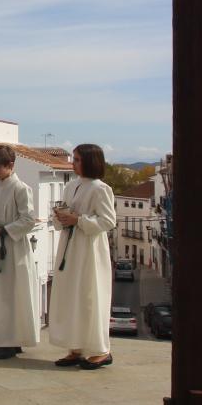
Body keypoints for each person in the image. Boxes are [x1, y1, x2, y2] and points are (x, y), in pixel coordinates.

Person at [49, 143, 116, 369]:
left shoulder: (100, 189)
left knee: (90, 296)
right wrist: (60, 217)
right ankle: (75, 347)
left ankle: (100, 350)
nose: (73, 163)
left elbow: (108, 221)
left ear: (90, 161)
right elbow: (65, 216)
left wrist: (78, 220)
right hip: (70, 247)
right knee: (71, 296)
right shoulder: (71, 187)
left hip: (90, 250)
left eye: (76, 159)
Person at [0, 145, 40, 359]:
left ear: (10, 165)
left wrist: (3, 231)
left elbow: (28, 220)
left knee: (13, 294)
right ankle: (0, 338)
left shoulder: (22, 189)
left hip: (14, 249)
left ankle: (13, 340)